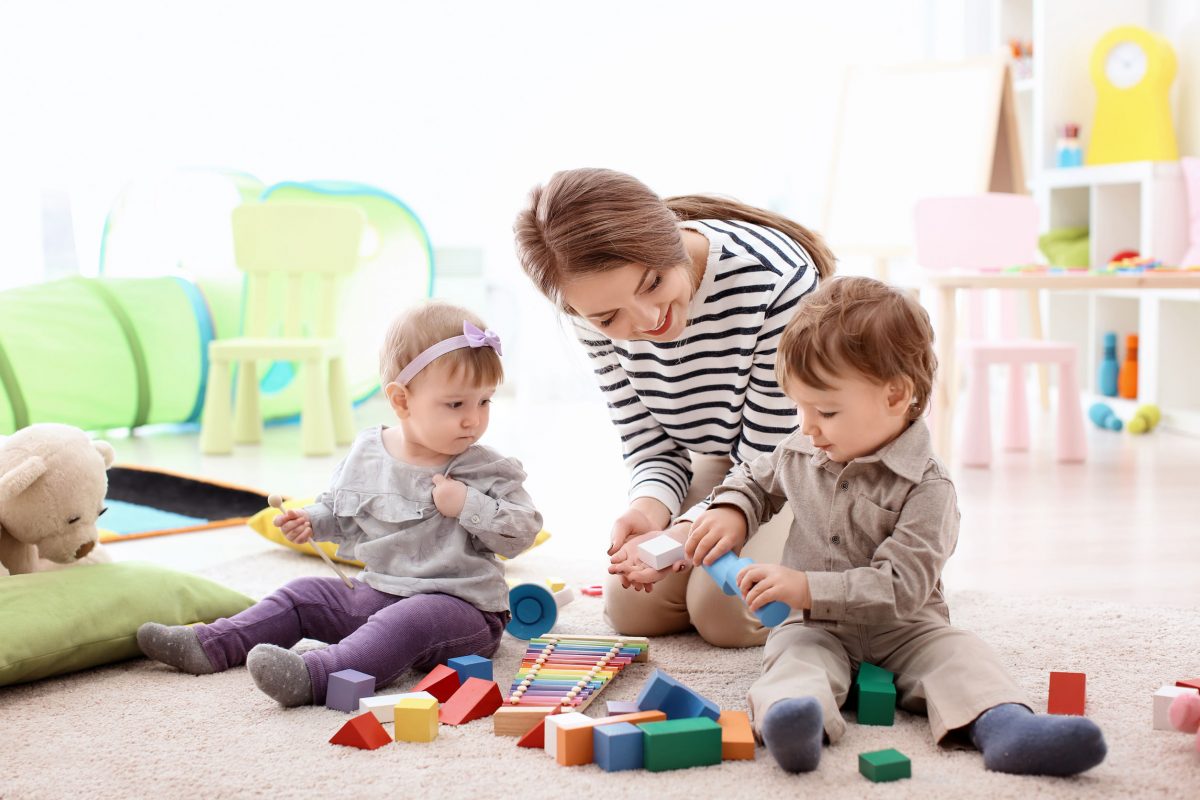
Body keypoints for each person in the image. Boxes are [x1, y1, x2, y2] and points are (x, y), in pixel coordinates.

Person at [629, 276, 1104, 776]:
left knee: (961, 655)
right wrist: (731, 509)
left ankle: (1007, 727)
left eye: (826, 410)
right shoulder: (803, 448)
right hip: (815, 627)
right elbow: (754, 478)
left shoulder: (929, 488)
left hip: (906, 627)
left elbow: (901, 587)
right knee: (792, 659)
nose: (807, 426)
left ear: (896, 396)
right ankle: (794, 723)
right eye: (799, 407)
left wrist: (804, 586)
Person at [137, 302, 542, 706]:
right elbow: (340, 510)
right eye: (456, 404)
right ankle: (210, 644)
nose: (474, 419)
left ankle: (317, 674)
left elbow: (523, 531)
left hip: (461, 611)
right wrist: (312, 520)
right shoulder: (369, 452)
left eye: (485, 402)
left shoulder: (485, 468)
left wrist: (468, 503)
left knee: (408, 621)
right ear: (401, 401)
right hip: (379, 591)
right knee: (302, 594)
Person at [514, 167, 835, 647]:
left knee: (726, 613)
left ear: (670, 240)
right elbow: (650, 445)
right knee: (634, 607)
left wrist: (684, 532)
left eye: (652, 283)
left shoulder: (773, 279)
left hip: (799, 460)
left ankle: (841, 563)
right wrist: (650, 510)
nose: (647, 321)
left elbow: (769, 457)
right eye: (608, 317)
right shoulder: (588, 313)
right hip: (726, 457)